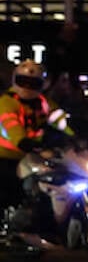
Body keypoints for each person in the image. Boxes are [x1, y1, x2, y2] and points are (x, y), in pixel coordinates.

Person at [0, 60, 73, 227]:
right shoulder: (7, 102)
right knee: (9, 188)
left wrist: (79, 131)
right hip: (6, 155)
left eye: (33, 83)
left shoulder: (43, 103)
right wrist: (23, 141)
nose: (27, 86)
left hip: (32, 154)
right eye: (23, 81)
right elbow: (12, 126)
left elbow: (60, 119)